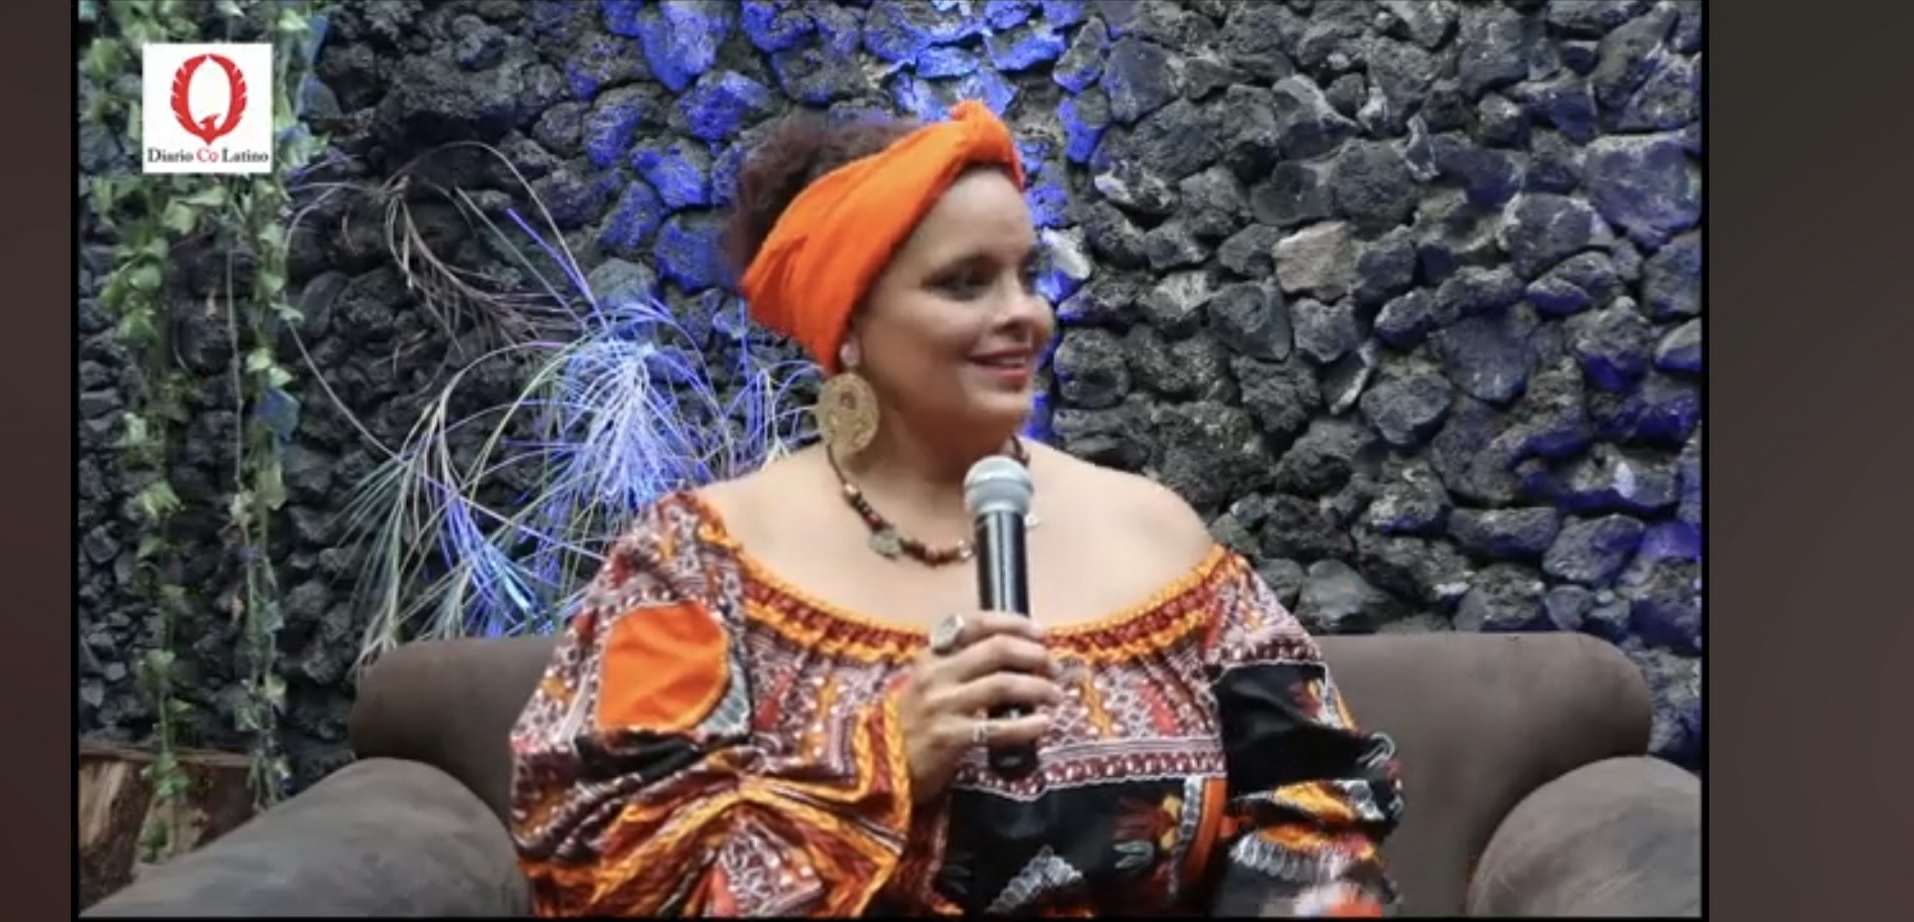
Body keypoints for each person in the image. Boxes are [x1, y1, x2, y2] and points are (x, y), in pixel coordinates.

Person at [506, 100, 1405, 917]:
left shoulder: (1158, 535)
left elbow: (1319, 807)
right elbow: (610, 883)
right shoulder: (695, 565)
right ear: (849, 324)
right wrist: (881, 763)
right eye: (965, 282)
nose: (1025, 315)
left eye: (1027, 273)